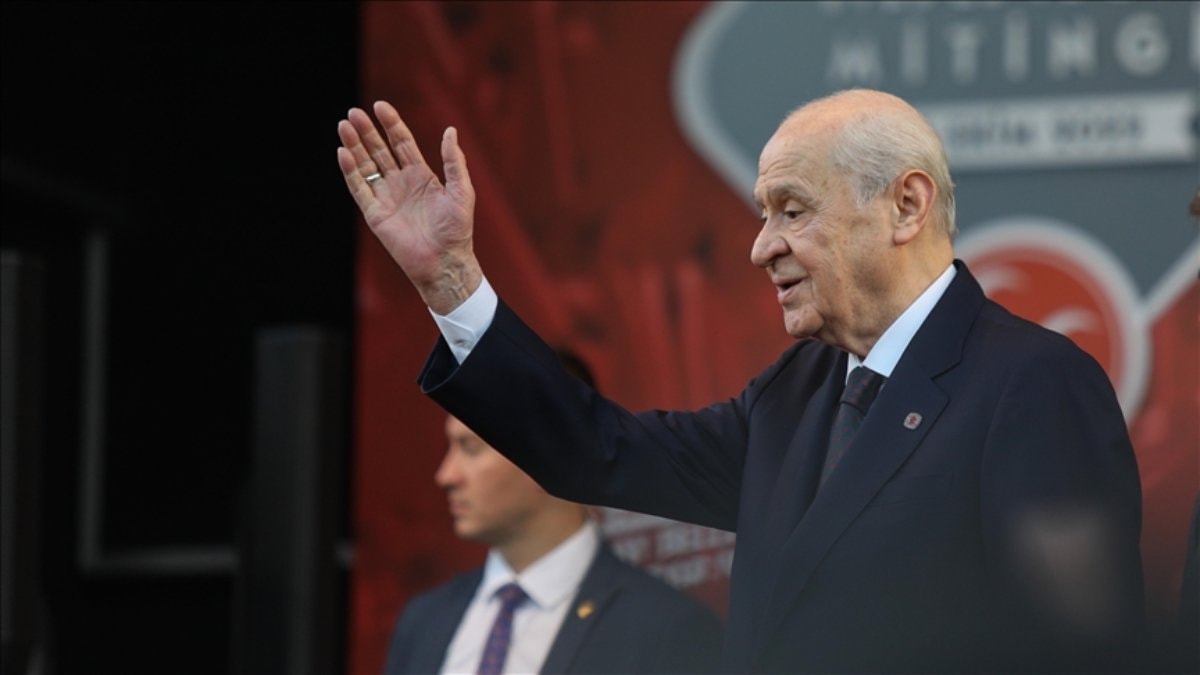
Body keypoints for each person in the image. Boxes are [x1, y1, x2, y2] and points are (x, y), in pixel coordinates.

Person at [338, 88, 1146, 673]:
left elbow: (1081, 652)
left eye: (792, 210)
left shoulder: (1032, 385)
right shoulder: (799, 390)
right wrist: (452, 281)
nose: (761, 247)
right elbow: (600, 450)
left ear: (906, 206)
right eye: (764, 213)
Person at [382, 350, 723, 674]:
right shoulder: (423, 622)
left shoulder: (665, 630)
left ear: (549, 449)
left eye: (470, 448)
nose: (446, 475)